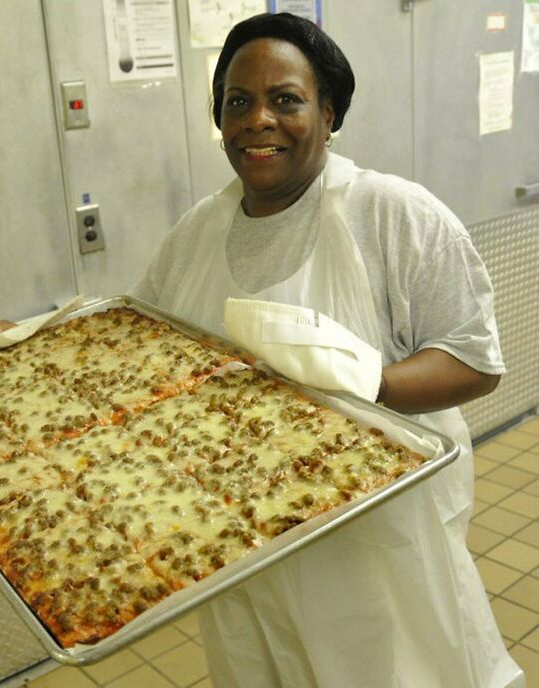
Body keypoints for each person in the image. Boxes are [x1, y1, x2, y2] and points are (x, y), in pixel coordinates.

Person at [132, 12, 525, 688]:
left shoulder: (392, 215)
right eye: (238, 101)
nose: (258, 119)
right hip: (239, 546)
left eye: (285, 99)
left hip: (375, 548)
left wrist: (368, 384)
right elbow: (140, 348)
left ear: (328, 111)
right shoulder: (196, 232)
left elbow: (473, 359)